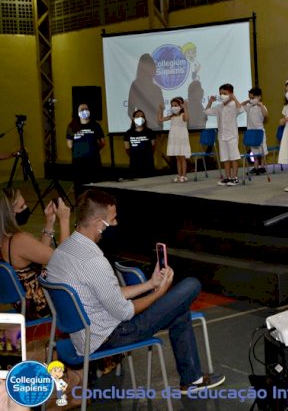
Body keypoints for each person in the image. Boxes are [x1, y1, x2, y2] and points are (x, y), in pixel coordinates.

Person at [45, 189, 224, 393]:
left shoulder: (63, 250)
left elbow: (109, 294)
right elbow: (125, 312)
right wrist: (159, 293)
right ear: (98, 224)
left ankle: (192, 379)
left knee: (179, 309)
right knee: (191, 285)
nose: (116, 224)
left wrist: (150, 284)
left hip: (83, 335)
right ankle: (191, 379)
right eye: (112, 220)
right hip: (111, 336)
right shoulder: (94, 261)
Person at [1, 188, 71, 320]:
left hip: (26, 303)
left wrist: (49, 223)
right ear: (9, 213)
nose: (27, 208)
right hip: (44, 305)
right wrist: (64, 220)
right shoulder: (19, 240)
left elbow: (37, 254)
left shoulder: (5, 239)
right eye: (22, 206)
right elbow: (64, 261)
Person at [205, 84, 243, 186]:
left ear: (230, 94)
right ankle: (228, 177)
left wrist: (234, 98)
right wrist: (210, 102)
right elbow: (207, 111)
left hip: (232, 136)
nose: (222, 95)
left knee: (233, 157)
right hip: (222, 136)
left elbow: (241, 109)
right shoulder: (219, 107)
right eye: (220, 93)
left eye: (225, 93)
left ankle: (235, 178)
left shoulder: (234, 105)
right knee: (225, 158)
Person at [66, 103, 105, 195]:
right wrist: (82, 149)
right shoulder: (72, 126)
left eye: (86, 108)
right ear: (77, 112)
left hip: (93, 161)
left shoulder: (95, 125)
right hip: (78, 162)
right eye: (81, 109)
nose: (84, 110)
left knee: (95, 185)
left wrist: (93, 149)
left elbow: (102, 142)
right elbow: (69, 144)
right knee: (80, 186)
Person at [127, 53, 163, 131]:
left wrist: (161, 128)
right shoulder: (135, 85)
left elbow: (161, 111)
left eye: (151, 66)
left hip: (156, 129)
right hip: (142, 130)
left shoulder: (157, 89)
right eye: (146, 66)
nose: (149, 69)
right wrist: (138, 125)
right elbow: (130, 110)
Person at [160, 97, 191, 183]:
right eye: (172, 105)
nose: (173, 107)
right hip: (174, 138)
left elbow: (186, 118)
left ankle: (184, 176)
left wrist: (185, 108)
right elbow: (161, 119)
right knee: (177, 157)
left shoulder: (183, 115)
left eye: (176, 105)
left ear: (180, 106)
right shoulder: (172, 116)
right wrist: (160, 110)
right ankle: (179, 175)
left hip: (181, 137)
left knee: (182, 157)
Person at [123, 109, 156, 179]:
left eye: (142, 116)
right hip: (134, 163)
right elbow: (127, 148)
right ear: (133, 118)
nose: (140, 118)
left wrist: (148, 155)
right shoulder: (128, 133)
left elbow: (153, 146)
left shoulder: (149, 132)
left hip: (148, 162)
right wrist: (134, 156)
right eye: (138, 116)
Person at [243, 87, 268, 174]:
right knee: (254, 151)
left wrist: (260, 105)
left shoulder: (262, 106)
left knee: (262, 151)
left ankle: (263, 167)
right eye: (250, 98)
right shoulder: (249, 107)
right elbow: (240, 105)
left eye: (253, 98)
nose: (251, 99)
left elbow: (265, 115)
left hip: (259, 132)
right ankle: (256, 167)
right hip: (251, 132)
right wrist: (248, 101)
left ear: (259, 97)